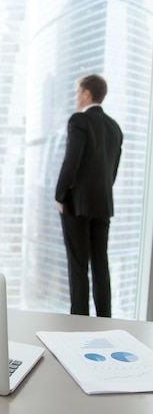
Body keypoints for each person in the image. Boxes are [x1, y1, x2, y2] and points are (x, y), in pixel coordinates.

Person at [55, 74, 123, 317]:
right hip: (102, 205)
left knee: (78, 267)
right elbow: (112, 170)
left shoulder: (79, 120)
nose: (76, 97)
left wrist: (60, 195)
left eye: (77, 92)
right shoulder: (114, 127)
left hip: (77, 204)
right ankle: (105, 320)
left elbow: (71, 161)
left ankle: (79, 324)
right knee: (100, 266)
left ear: (86, 94)